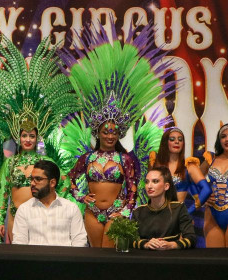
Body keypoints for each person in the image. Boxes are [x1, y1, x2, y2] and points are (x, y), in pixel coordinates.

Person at [60, 22, 176, 247]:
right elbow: (70, 179)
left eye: (114, 133)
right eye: (106, 132)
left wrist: (123, 209)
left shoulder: (125, 159)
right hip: (92, 212)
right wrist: (82, 198)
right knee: (95, 256)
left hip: (116, 213)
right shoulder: (88, 159)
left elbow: (133, 188)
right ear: (98, 133)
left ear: (119, 134)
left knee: (110, 255)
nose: (110, 136)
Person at [0, 35, 78, 242]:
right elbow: (3, 192)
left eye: (32, 136)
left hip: (41, 215)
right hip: (14, 215)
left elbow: (64, 181)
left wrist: (58, 203)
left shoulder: (46, 163)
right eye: (24, 135)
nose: (28, 139)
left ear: (37, 136)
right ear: (18, 136)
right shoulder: (11, 162)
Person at [12, 160, 87, 246]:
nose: (32, 183)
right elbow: (19, 244)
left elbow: (79, 241)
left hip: (64, 258)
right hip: (34, 258)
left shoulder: (71, 208)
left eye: (38, 179)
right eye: (32, 179)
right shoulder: (24, 209)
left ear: (52, 183)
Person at [130, 167, 196, 250]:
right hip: (145, 258)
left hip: (170, 257)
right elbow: (129, 239)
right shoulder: (138, 211)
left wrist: (172, 245)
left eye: (155, 181)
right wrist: (145, 244)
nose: (149, 186)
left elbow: (191, 238)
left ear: (166, 186)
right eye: (147, 182)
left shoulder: (178, 208)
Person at [149, 127, 211, 212]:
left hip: (177, 217)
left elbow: (206, 189)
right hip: (156, 215)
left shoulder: (189, 167)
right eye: (172, 139)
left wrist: (188, 212)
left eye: (180, 139)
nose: (177, 142)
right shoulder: (156, 164)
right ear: (165, 142)